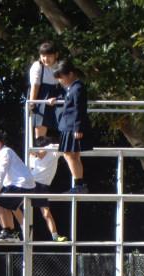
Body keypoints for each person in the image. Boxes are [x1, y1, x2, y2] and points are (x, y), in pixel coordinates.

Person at [0, 129, 36, 242]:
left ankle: (9, 231)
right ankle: (20, 229)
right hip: (22, 184)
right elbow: (6, 177)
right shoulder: (4, 153)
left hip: (22, 184)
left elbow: (1, 171)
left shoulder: (4, 152)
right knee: (8, 205)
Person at [49, 59, 90, 194]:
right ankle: (79, 184)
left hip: (72, 127)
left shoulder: (78, 88)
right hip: (69, 126)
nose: (59, 80)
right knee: (73, 155)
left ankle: (79, 184)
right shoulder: (72, 88)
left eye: (61, 77)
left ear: (70, 74)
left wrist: (78, 128)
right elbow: (69, 101)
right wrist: (57, 100)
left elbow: (79, 108)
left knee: (69, 154)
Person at [15, 137, 67, 242]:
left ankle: (55, 237)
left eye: (41, 149)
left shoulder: (53, 151)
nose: (39, 152)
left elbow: (64, 146)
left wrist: (49, 147)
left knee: (46, 213)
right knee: (13, 205)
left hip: (42, 186)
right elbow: (28, 168)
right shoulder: (33, 157)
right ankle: (24, 228)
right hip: (30, 183)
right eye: (37, 150)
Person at [28, 41, 61, 144]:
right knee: (40, 131)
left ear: (56, 55)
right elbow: (35, 86)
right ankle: (40, 148)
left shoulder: (60, 66)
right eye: (43, 56)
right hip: (42, 97)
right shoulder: (38, 66)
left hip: (58, 97)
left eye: (49, 56)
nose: (46, 59)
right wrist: (32, 103)